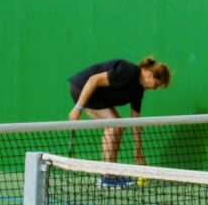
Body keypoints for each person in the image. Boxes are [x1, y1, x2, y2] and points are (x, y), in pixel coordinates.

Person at [67, 56, 171, 189]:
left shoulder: (138, 89)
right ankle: (106, 176)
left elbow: (135, 119)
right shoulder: (130, 72)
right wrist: (78, 108)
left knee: (118, 126)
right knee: (114, 125)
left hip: (95, 95)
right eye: (156, 84)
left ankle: (111, 174)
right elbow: (94, 80)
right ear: (149, 75)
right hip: (82, 89)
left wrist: (137, 148)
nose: (155, 88)